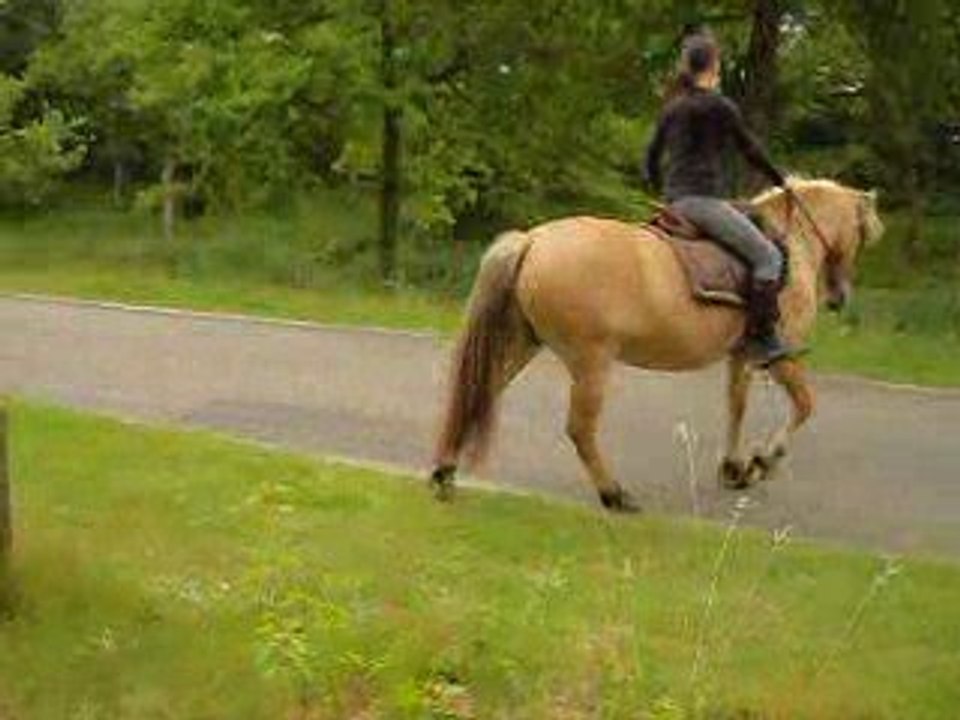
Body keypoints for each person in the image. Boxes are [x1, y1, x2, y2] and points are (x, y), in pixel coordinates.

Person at [645, 30, 797, 366]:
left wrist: (664, 193)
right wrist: (781, 180)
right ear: (714, 66)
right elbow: (749, 149)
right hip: (704, 204)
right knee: (769, 256)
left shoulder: (673, 108)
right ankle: (762, 337)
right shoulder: (720, 107)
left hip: (676, 202)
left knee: (754, 218)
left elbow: (651, 158)